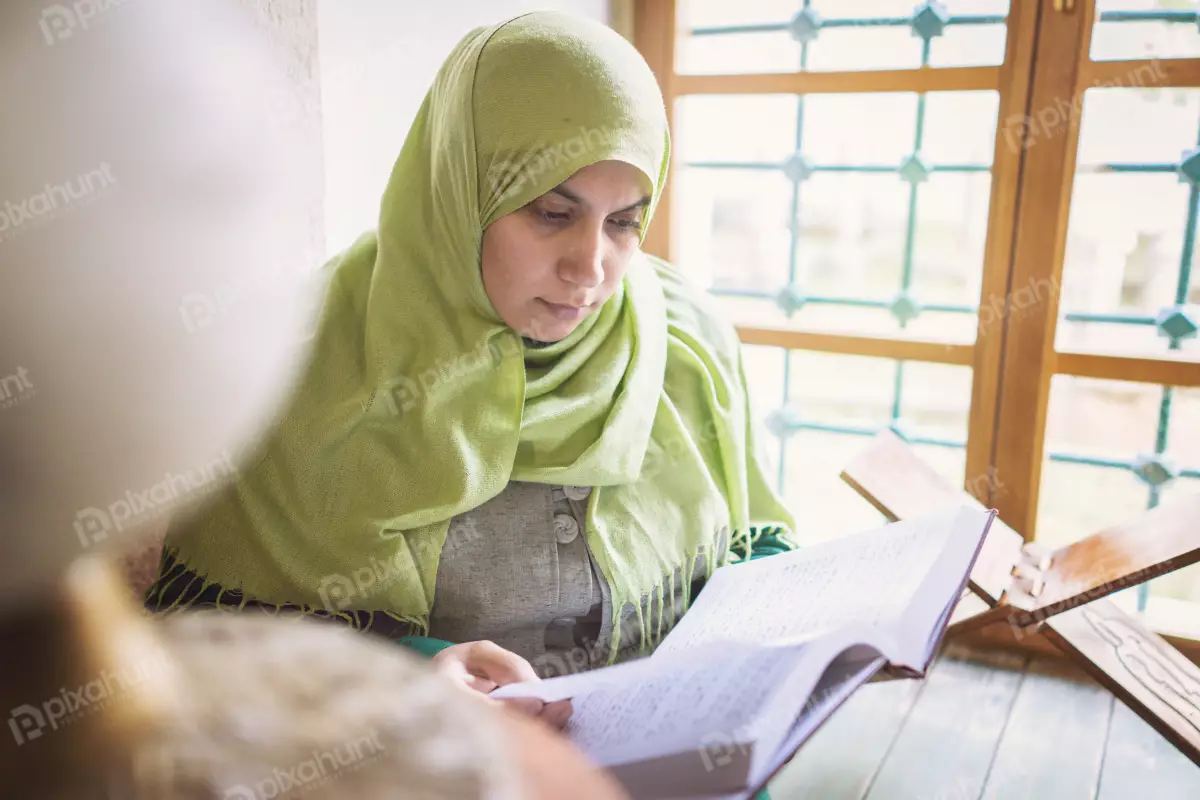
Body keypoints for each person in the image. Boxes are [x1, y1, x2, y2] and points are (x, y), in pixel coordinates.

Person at [145, 10, 798, 725]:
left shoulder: (684, 339)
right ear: (458, 188)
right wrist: (407, 673)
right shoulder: (307, 357)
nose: (591, 268)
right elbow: (205, 643)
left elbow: (754, 557)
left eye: (624, 222)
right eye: (552, 212)